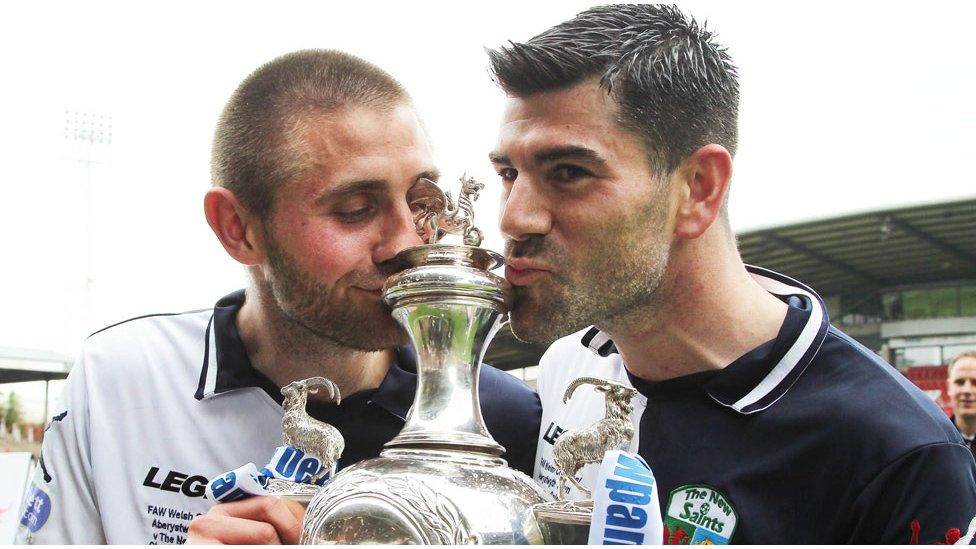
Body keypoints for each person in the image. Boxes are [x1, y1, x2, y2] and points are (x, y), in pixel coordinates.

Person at [488, 5, 976, 544]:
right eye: (509, 173)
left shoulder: (895, 453)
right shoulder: (570, 368)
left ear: (698, 188)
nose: (514, 216)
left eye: (569, 172)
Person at [17, 49, 540, 545]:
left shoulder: (506, 418)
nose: (406, 243)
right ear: (238, 229)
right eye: (356, 208)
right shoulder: (122, 380)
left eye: (422, 202)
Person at [948, 351, 976, 457]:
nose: (967, 390)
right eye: (960, 382)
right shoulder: (934, 442)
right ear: (949, 387)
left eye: (975, 382)